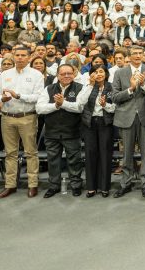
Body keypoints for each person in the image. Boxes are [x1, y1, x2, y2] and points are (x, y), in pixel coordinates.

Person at [36, 63, 92, 197]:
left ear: (74, 74)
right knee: (53, 161)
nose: (67, 76)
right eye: (63, 74)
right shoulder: (49, 88)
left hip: (72, 131)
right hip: (52, 132)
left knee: (74, 161)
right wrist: (56, 105)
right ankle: (54, 186)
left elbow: (79, 107)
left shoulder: (80, 88)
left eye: (69, 73)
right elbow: (39, 108)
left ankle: (76, 185)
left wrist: (63, 104)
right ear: (57, 75)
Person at [0, 45, 43, 198]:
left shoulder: (36, 75)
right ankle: (10, 185)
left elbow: (39, 96)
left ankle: (32, 184)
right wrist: (1, 99)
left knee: (31, 152)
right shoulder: (5, 74)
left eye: (23, 55)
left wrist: (18, 95)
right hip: (7, 117)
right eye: (17, 55)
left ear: (29, 57)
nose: (20, 58)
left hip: (27, 116)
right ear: (13, 56)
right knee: (10, 153)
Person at [112, 46, 145, 198]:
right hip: (126, 117)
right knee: (127, 154)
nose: (138, 56)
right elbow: (115, 97)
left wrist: (143, 85)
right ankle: (125, 183)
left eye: (140, 54)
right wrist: (130, 89)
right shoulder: (119, 72)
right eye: (135, 54)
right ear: (128, 56)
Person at [80, 64, 116, 197]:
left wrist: (104, 105)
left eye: (101, 71)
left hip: (105, 123)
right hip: (89, 123)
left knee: (105, 155)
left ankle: (104, 187)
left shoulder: (112, 87)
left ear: (106, 74)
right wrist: (90, 85)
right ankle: (91, 187)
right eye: (95, 72)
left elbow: (115, 108)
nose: (98, 74)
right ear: (91, 75)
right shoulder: (88, 87)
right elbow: (81, 103)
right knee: (90, 154)